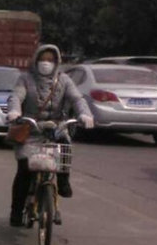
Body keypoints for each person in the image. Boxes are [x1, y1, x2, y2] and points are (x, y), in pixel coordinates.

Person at [6, 44, 94, 226]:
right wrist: (15, 112)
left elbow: (77, 99)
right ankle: (16, 211)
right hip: (30, 128)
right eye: (42, 59)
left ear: (57, 62)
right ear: (36, 60)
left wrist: (84, 114)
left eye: (50, 60)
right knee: (24, 170)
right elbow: (16, 97)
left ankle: (63, 181)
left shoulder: (64, 80)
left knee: (65, 148)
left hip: (56, 127)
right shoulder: (25, 78)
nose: (46, 63)